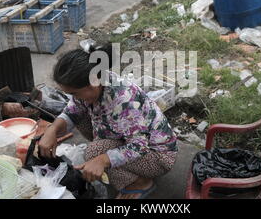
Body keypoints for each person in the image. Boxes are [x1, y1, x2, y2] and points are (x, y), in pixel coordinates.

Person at [38, 43, 178, 199]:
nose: (74, 97)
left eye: (74, 93)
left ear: (93, 84)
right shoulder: (97, 81)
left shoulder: (124, 101)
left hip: (157, 155)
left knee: (93, 152)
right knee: (79, 116)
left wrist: (102, 159)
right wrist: (52, 130)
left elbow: (139, 147)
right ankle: (109, 154)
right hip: (128, 137)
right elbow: (72, 111)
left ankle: (140, 183)